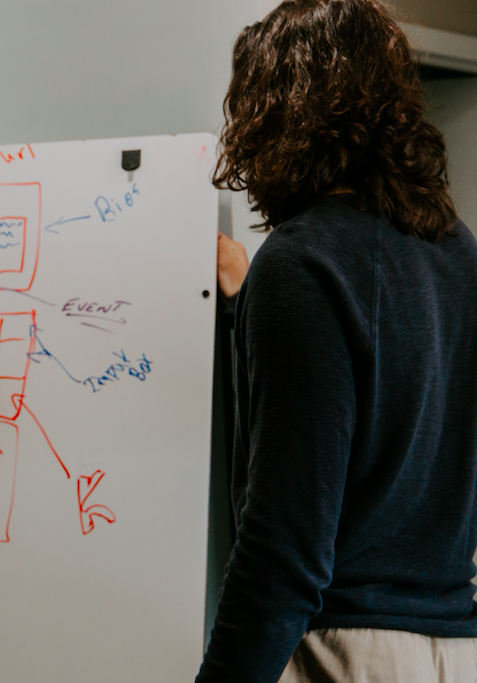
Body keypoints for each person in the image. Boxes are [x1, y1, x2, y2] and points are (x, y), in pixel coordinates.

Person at [197, 1, 477, 682]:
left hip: (347, 655)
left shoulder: (301, 264)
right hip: (454, 649)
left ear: (274, 109)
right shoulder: (455, 250)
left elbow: (283, 549)